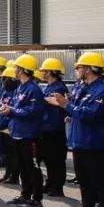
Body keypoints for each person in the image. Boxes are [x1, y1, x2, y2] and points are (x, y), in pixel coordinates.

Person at [48, 52, 104, 207]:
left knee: (101, 183)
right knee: (85, 182)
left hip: (95, 144)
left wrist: (66, 105)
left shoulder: (103, 90)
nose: (76, 70)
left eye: (78, 67)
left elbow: (91, 115)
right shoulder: (81, 86)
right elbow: (76, 109)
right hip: (80, 142)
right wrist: (65, 106)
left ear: (88, 69)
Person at [0, 54, 45, 207]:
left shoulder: (34, 89)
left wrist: (12, 110)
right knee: (23, 166)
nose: (15, 71)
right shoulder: (20, 87)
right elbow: (16, 107)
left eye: (17, 68)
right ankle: (25, 194)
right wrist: (7, 109)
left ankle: (37, 199)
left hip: (29, 135)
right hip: (17, 132)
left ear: (24, 70)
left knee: (32, 167)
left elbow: (32, 111)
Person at [37, 58, 68, 197]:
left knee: (57, 159)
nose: (42, 73)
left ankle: (57, 186)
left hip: (55, 129)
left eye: (43, 71)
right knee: (48, 158)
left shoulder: (59, 88)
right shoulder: (48, 87)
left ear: (49, 72)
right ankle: (50, 182)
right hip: (46, 127)